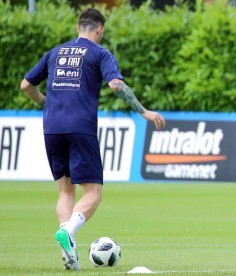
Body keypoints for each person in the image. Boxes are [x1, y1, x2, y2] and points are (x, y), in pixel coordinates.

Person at [20, 8, 166, 270]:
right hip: (80, 127)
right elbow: (116, 85)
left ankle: (70, 254)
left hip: (51, 126)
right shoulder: (100, 53)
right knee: (93, 192)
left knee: (65, 191)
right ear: (100, 29)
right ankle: (69, 231)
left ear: (78, 27)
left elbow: (25, 85)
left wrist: (45, 102)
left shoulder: (55, 52)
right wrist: (144, 111)